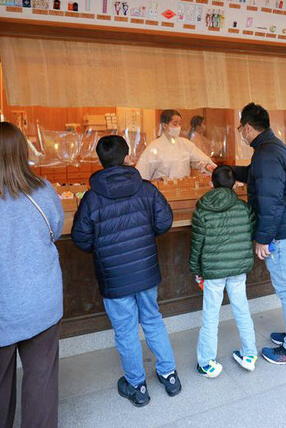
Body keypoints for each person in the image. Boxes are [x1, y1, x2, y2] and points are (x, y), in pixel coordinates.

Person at [71, 135, 182, 407]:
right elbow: (164, 221)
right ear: (127, 155)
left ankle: (137, 386)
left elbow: (81, 239)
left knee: (125, 330)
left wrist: (102, 248)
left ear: (100, 159)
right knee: (153, 320)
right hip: (145, 270)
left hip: (114, 276)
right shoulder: (145, 189)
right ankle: (169, 376)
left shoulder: (91, 198)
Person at [0, 121, 64, 428]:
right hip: (44, 298)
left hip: (0, 309)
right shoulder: (44, 190)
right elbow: (56, 230)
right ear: (23, 152)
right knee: (42, 380)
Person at [231, 103, 286, 366]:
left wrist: (263, 238)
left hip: (282, 232)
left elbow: (270, 201)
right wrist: (230, 170)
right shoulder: (272, 147)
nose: (241, 134)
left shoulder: (267, 153)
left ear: (246, 127)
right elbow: (260, 178)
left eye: (240, 130)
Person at [190, 165, 257, 378]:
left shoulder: (202, 210)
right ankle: (249, 355)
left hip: (213, 271)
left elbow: (196, 244)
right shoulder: (244, 208)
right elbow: (251, 231)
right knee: (242, 309)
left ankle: (207, 363)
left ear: (212, 183)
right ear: (235, 184)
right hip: (238, 268)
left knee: (211, 315)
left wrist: (196, 269)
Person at [135, 110, 216, 180]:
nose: (178, 127)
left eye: (180, 123)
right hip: (162, 190)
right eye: (175, 124)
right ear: (164, 125)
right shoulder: (154, 147)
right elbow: (143, 172)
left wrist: (207, 166)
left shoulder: (185, 144)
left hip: (183, 188)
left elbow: (199, 160)